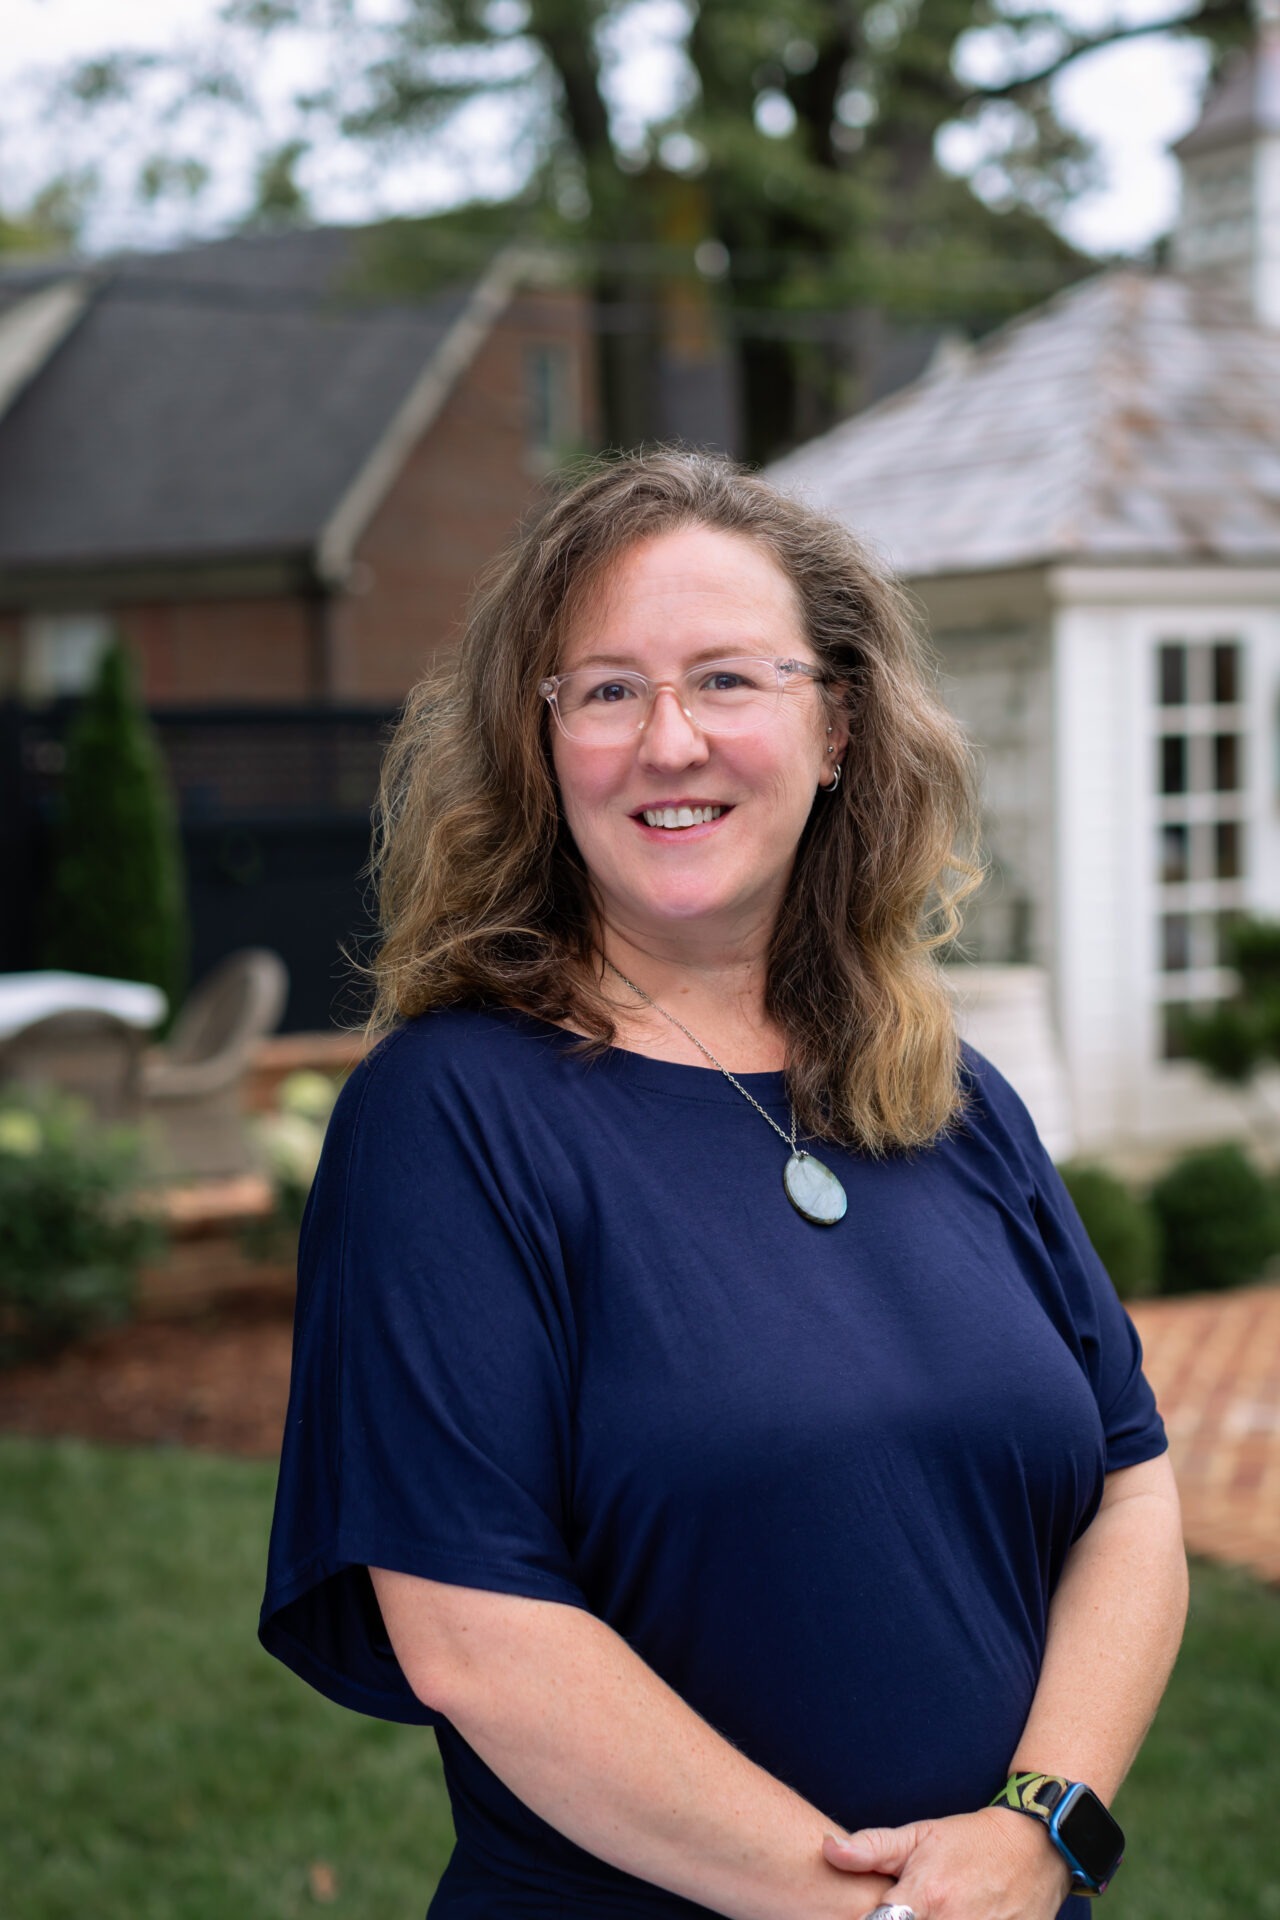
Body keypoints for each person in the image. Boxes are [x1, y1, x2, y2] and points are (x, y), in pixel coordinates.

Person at [260, 450, 1188, 1920]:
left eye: (728, 681)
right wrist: (890, 1914)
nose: (667, 739)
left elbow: (1130, 1491)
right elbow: (476, 1637)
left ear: (836, 728)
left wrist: (1042, 1822)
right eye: (608, 689)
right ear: (538, 744)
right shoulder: (448, 1120)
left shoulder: (947, 1096)